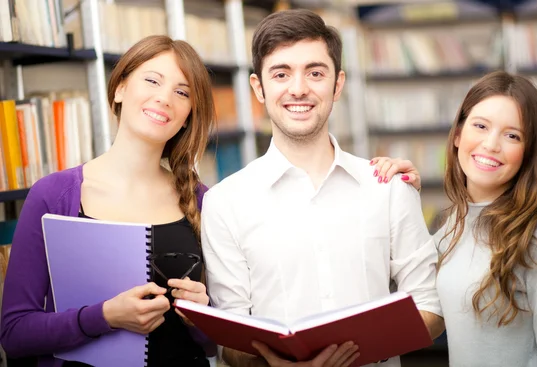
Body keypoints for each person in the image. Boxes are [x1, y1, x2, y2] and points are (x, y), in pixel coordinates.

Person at [200, 9, 445, 367]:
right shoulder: (225, 202)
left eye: (315, 73)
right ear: (259, 88)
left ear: (338, 84)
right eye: (281, 73)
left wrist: (356, 353)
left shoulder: (388, 188)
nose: (298, 88)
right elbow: (231, 341)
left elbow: (430, 308)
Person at [0, 35, 216, 367]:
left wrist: (202, 318)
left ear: (188, 115)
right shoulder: (53, 195)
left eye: (182, 92)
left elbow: (216, 346)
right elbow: (14, 333)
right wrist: (103, 316)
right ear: (119, 89)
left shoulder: (204, 202)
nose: (164, 98)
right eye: (152, 80)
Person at [381, 70, 537, 366]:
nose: (491, 144)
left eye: (512, 135)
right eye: (480, 126)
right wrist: (398, 198)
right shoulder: (452, 225)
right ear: (458, 134)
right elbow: (412, 297)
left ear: (528, 151)